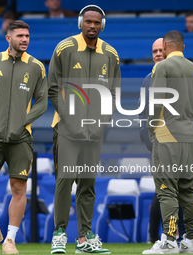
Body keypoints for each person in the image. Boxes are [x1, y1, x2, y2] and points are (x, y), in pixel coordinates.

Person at [48, 5, 120, 254]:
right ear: (81, 22)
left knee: (88, 185)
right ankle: (59, 234)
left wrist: (101, 123)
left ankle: (83, 240)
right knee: (65, 181)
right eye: (88, 21)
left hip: (94, 133)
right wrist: (70, 120)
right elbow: (53, 89)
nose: (92, 26)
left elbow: (112, 94)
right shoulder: (64, 48)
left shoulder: (111, 54)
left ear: (102, 25)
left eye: (97, 22)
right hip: (67, 129)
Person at [0, 20, 47, 254]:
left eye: (27, 35)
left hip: (21, 137)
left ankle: (10, 240)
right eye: (20, 36)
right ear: (9, 38)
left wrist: (23, 122)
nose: (25, 39)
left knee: (18, 188)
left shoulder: (36, 66)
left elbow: (43, 102)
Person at [143, 30, 193, 254]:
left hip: (167, 135)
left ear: (166, 47)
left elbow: (155, 103)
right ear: (183, 47)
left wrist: (153, 129)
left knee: (166, 189)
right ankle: (192, 242)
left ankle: (169, 240)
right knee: (189, 190)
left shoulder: (162, 67)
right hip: (190, 136)